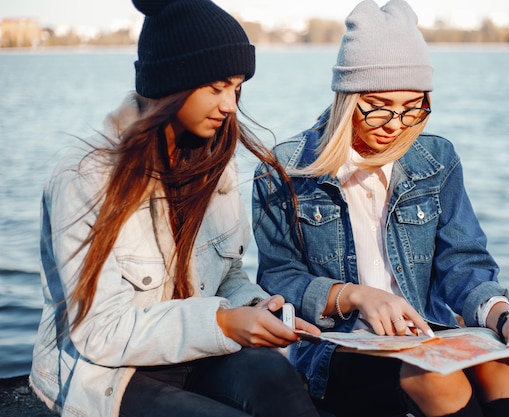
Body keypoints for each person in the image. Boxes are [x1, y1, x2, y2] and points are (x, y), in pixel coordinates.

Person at [251, 1, 509, 416]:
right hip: (339, 351)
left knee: (505, 362)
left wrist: (504, 317)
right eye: (379, 105)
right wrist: (354, 296)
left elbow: (463, 264)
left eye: (413, 107)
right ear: (347, 98)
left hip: (426, 335)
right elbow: (278, 278)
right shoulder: (284, 169)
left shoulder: (437, 160)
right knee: (432, 375)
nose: (396, 122)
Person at [29, 0, 322, 416]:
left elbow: (228, 275)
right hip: (111, 371)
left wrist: (258, 307)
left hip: (197, 353)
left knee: (282, 382)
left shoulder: (212, 161)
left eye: (236, 88)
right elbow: (98, 332)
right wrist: (222, 323)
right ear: (172, 82)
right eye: (216, 87)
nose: (230, 106)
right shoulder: (86, 178)